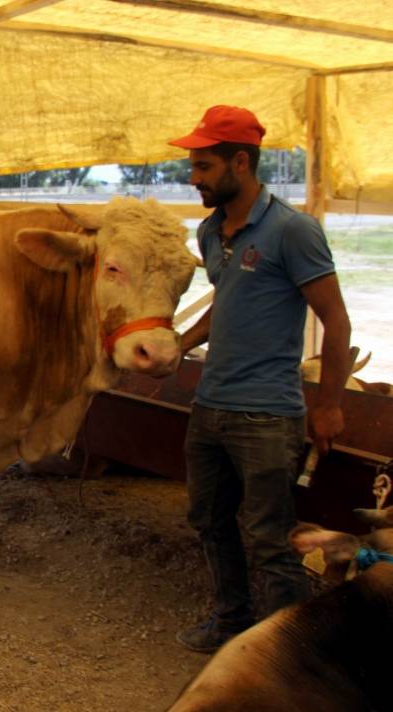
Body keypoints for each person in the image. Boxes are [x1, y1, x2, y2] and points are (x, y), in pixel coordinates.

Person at [170, 105, 352, 653]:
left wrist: (328, 404)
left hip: (268, 414)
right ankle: (231, 624)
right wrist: (178, 344)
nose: (194, 178)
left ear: (241, 163)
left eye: (203, 167)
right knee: (208, 520)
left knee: (270, 538)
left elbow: (336, 321)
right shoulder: (209, 231)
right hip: (210, 405)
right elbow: (226, 303)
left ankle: (290, 654)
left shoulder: (293, 231)